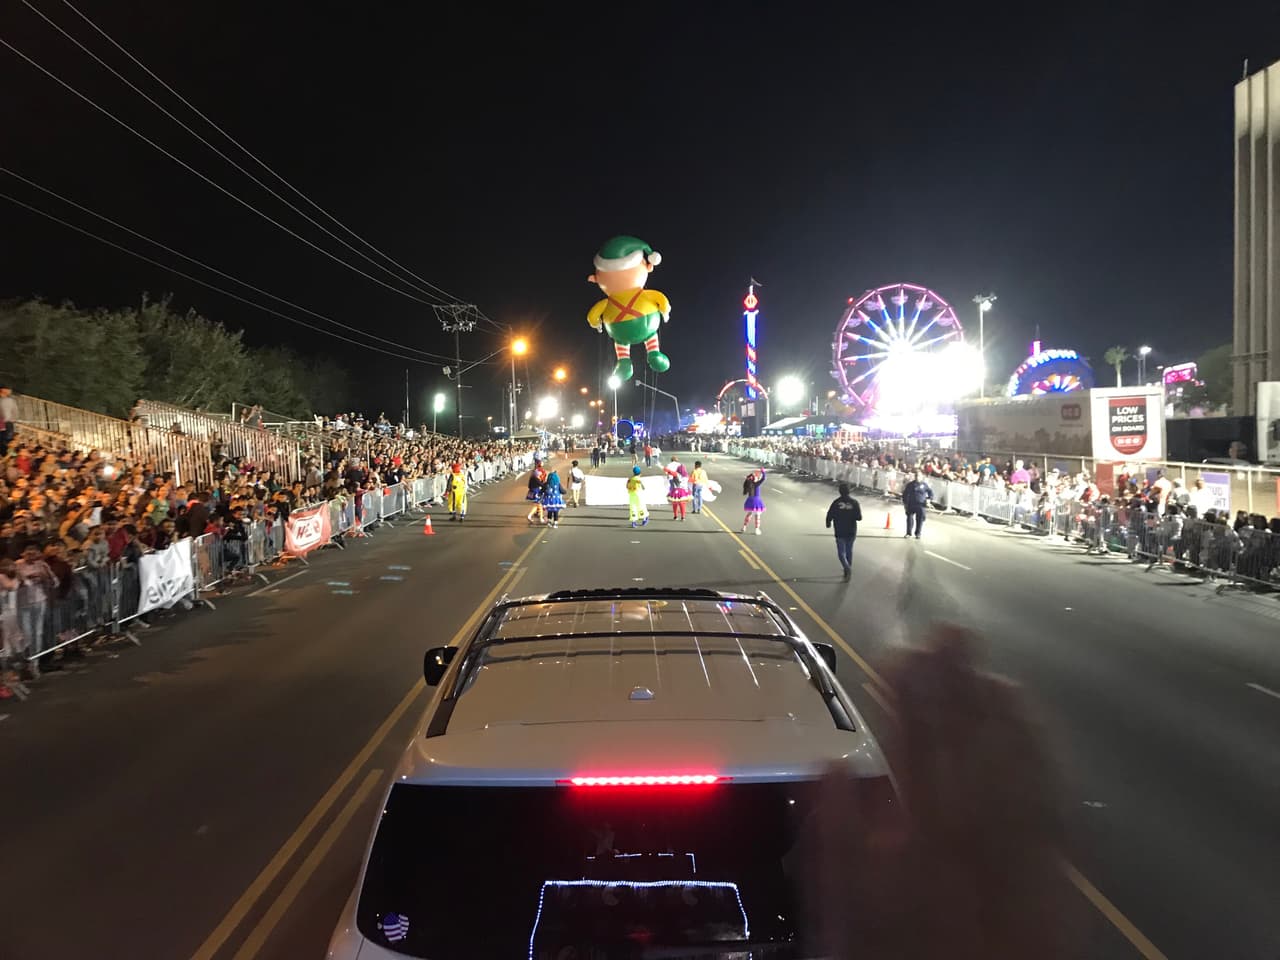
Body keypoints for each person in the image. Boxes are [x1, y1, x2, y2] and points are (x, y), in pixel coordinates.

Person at [825, 481, 863, 581]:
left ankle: (847, 568)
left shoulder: (836, 502)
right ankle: (847, 569)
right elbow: (859, 517)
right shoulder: (854, 503)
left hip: (840, 530)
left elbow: (830, 514)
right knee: (849, 551)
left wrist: (828, 523)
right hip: (851, 530)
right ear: (849, 491)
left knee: (841, 553)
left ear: (839, 491)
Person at [902, 471, 933, 539]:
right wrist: (905, 503)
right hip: (911, 504)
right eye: (916, 476)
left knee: (920, 520)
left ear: (921, 477)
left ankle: (918, 533)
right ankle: (908, 533)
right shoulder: (910, 484)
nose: (917, 477)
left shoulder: (924, 485)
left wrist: (929, 499)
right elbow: (905, 494)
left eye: (919, 476)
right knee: (909, 519)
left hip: (921, 505)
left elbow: (930, 492)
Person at [741, 468, 766, 535]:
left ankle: (744, 527)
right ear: (754, 479)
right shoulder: (756, 484)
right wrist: (763, 472)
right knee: (757, 515)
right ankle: (757, 529)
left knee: (749, 513)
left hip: (750, 500)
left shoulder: (749, 484)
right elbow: (763, 478)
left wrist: (756, 475)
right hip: (756, 500)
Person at [526, 458, 548, 524]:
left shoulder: (533, 472)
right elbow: (542, 482)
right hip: (538, 491)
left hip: (533, 490)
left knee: (537, 505)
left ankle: (530, 516)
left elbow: (529, 485)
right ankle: (541, 518)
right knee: (540, 504)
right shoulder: (538, 473)